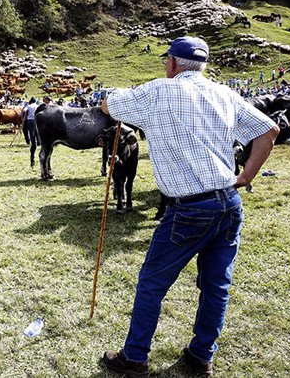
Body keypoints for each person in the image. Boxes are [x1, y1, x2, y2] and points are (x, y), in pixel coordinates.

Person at [100, 36, 279, 377]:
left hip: (190, 208)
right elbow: (268, 131)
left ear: (171, 64)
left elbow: (109, 106)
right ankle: (200, 356)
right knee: (216, 285)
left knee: (152, 281)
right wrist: (245, 176)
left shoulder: (157, 91)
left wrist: (116, 96)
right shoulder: (224, 93)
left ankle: (134, 358)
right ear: (202, 65)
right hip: (229, 203)